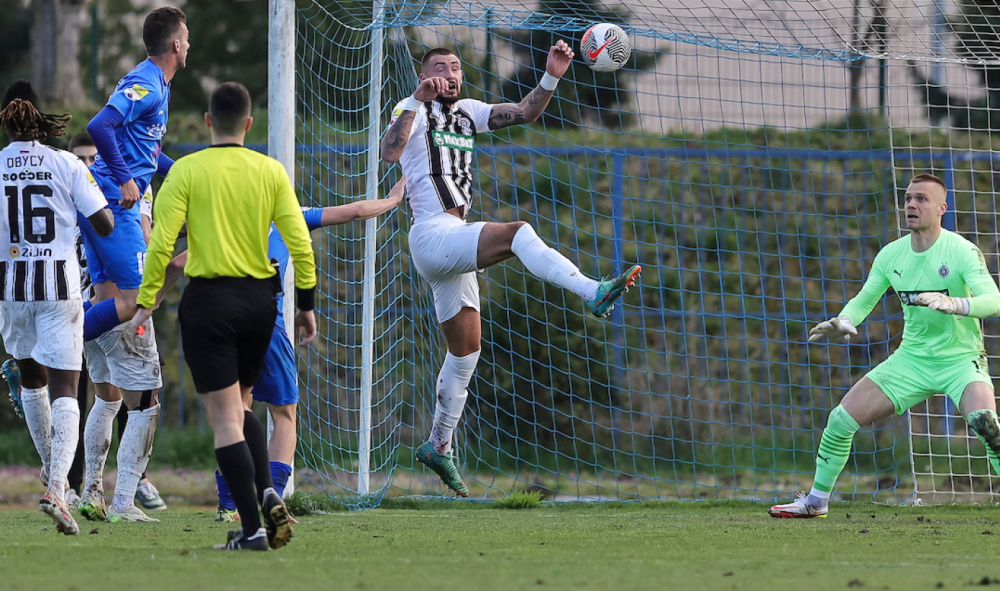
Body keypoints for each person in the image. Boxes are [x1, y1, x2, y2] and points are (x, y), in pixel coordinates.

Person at [380, 44, 642, 497]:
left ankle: (438, 445)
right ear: (423, 77)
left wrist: (552, 75)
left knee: (465, 353)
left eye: (455, 66)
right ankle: (592, 291)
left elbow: (524, 112)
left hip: (452, 238)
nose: (449, 73)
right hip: (432, 233)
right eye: (439, 67)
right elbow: (390, 152)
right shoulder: (412, 109)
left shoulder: (468, 112)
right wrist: (417, 99)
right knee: (518, 232)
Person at [130, 82, 317, 551]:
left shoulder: (187, 171)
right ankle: (268, 492)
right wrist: (306, 306)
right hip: (261, 303)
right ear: (249, 124)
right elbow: (300, 244)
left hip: (210, 301)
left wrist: (147, 299)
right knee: (239, 407)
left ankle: (253, 530)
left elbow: (162, 244)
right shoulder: (270, 171)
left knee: (225, 419)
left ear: (209, 121)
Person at [156, 178, 406, 520]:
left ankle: (228, 505)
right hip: (262, 320)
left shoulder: (223, 220)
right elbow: (357, 211)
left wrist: (152, 301)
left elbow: (175, 264)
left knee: (234, 414)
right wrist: (393, 200)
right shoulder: (291, 214)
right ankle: (271, 498)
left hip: (219, 321)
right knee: (284, 415)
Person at [770, 173, 1000, 519]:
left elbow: (993, 301)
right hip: (911, 361)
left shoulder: (962, 251)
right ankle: (815, 502)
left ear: (942, 208)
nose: (911, 204)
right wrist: (844, 320)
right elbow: (865, 299)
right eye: (908, 198)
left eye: (921, 199)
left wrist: (955, 303)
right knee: (841, 419)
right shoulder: (891, 255)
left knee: (986, 424)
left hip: (961, 360)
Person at [74, 7, 187, 522]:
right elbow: (101, 125)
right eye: (187, 38)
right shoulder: (148, 82)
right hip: (115, 209)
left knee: (109, 392)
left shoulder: (154, 87)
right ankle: (123, 502)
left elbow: (145, 151)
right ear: (175, 44)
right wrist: (123, 178)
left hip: (102, 207)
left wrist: (187, 171)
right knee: (138, 304)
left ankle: (90, 494)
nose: (189, 45)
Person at [0, 80, 114, 535]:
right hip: (59, 287)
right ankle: (57, 489)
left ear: (6, 121)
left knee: (32, 380)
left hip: (11, 289)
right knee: (67, 384)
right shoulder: (65, 163)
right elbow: (104, 224)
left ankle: (55, 476)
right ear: (39, 118)